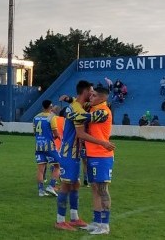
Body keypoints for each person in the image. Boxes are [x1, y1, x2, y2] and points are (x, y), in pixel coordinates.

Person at [55, 81, 94, 231]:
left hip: (75, 153)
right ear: (85, 91)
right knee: (66, 185)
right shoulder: (78, 110)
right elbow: (82, 129)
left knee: (75, 184)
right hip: (68, 153)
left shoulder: (78, 105)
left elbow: (77, 104)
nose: (92, 94)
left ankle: (74, 218)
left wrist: (69, 99)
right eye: (91, 91)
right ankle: (59, 221)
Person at [81, 87, 116, 235]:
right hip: (92, 153)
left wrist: (73, 110)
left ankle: (105, 225)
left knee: (102, 189)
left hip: (102, 155)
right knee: (95, 188)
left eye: (94, 95)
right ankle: (96, 222)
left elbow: (83, 118)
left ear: (102, 98)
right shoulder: (94, 108)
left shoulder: (103, 111)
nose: (91, 97)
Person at [33, 100, 61, 197]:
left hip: (38, 145)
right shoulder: (51, 117)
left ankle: (41, 191)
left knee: (41, 169)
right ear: (50, 107)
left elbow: (34, 132)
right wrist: (59, 137)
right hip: (49, 145)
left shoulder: (35, 117)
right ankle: (51, 186)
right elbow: (56, 133)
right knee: (58, 166)